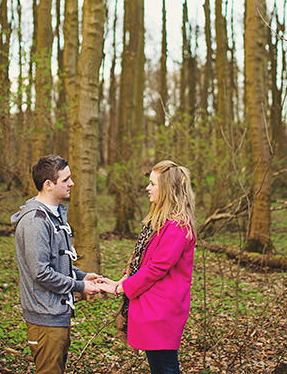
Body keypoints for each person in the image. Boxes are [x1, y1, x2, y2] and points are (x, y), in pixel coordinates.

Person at [11, 154, 106, 374]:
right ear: (48, 185)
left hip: (56, 316)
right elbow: (41, 273)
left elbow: (56, 263)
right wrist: (80, 286)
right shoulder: (36, 221)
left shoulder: (53, 215)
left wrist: (82, 276)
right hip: (45, 318)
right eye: (65, 179)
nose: (71, 183)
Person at [110, 160, 196, 374]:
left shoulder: (177, 227)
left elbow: (157, 267)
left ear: (166, 189)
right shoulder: (159, 221)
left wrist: (125, 287)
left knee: (165, 367)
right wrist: (126, 277)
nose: (148, 188)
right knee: (159, 366)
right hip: (152, 308)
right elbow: (143, 258)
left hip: (162, 311)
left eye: (153, 184)